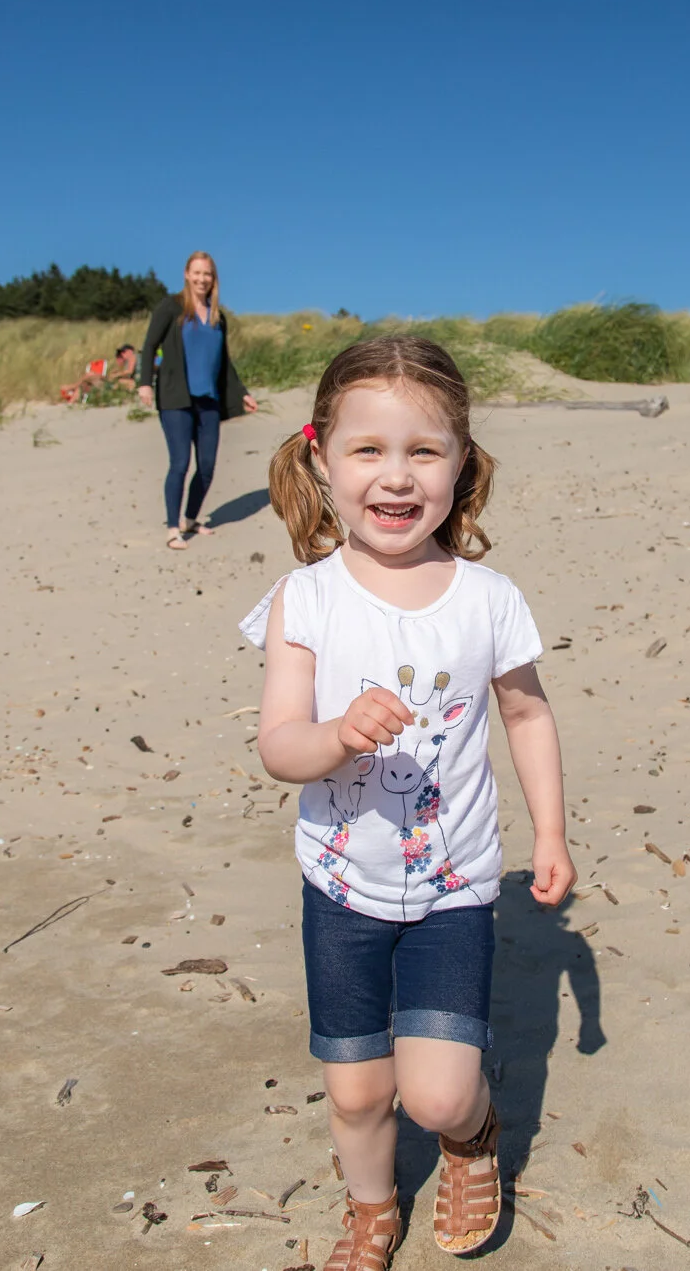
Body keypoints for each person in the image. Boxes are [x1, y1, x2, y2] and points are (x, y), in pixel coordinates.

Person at [240, 336, 574, 1268]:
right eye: (368, 450)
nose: (396, 477)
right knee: (354, 1093)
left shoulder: (487, 598)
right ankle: (372, 1206)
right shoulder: (302, 600)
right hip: (341, 888)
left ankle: (471, 1139)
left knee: (434, 1094)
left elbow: (527, 715)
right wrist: (339, 733)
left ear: (462, 461)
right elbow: (278, 745)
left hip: (454, 886)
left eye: (424, 451)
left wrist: (549, 830)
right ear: (322, 457)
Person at [137, 252, 257, 548]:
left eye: (208, 274)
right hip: (176, 398)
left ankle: (191, 518)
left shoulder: (218, 317)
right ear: (186, 274)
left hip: (209, 402)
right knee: (180, 463)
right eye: (197, 273)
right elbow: (150, 345)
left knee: (206, 466)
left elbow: (224, 361)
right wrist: (144, 384)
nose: (202, 279)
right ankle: (172, 527)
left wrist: (242, 392)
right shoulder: (172, 307)